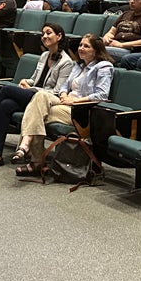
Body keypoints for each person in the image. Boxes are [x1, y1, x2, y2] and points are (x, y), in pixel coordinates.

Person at [0, 23, 75, 169]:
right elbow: (35, 78)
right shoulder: (45, 55)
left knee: (6, 90)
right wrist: (27, 81)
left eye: (49, 33)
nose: (44, 36)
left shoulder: (66, 62)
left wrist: (32, 88)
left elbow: (57, 92)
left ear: (59, 36)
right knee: (5, 105)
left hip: (46, 100)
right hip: (33, 95)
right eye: (43, 33)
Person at [13, 34, 114, 177]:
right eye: (80, 45)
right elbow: (64, 86)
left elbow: (102, 95)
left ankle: (31, 154)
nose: (81, 48)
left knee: (35, 114)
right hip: (64, 103)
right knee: (40, 96)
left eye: (86, 46)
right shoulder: (78, 65)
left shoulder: (103, 67)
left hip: (80, 110)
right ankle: (30, 152)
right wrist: (64, 95)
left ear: (96, 51)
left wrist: (75, 101)